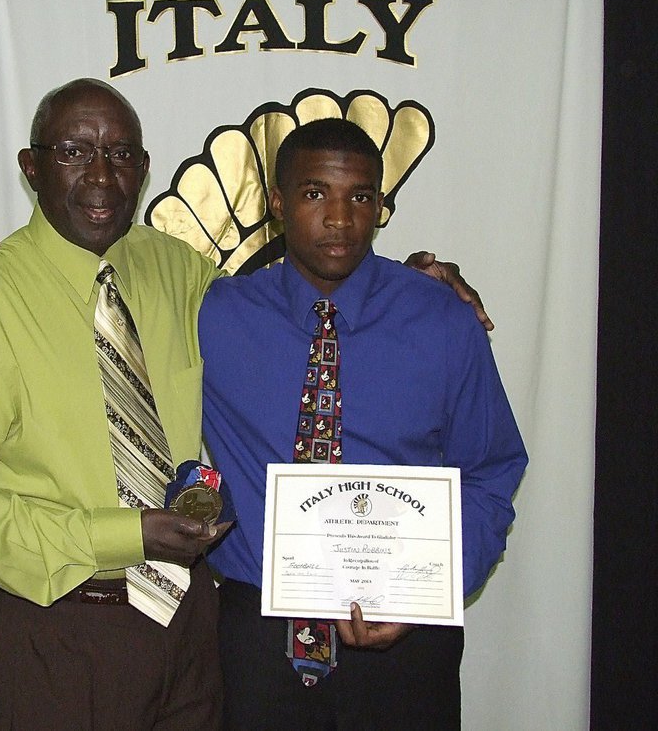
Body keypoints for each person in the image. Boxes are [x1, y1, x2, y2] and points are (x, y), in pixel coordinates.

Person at [0, 78, 230, 729]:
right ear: (32, 167)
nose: (103, 175)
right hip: (56, 632)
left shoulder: (184, 272)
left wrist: (421, 287)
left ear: (144, 168)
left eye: (121, 153)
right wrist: (123, 535)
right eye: (75, 151)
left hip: (189, 626)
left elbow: (288, 329)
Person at [199, 118, 527, 729]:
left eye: (360, 197)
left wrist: (437, 585)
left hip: (409, 640)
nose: (339, 219)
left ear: (380, 205)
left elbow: (490, 470)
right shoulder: (215, 316)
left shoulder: (442, 322)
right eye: (314, 192)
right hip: (259, 639)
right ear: (276, 203)